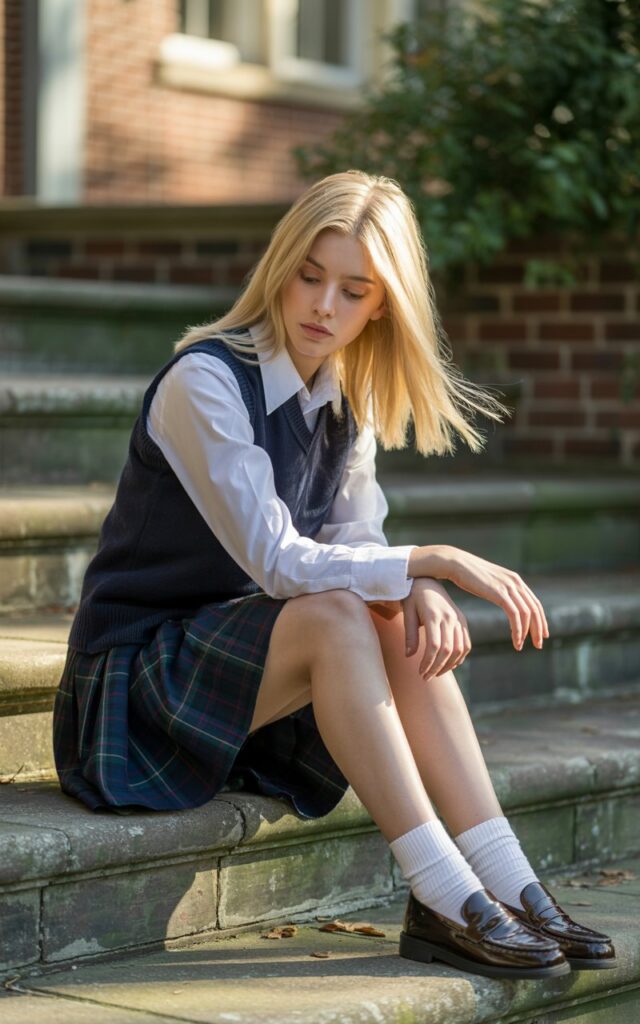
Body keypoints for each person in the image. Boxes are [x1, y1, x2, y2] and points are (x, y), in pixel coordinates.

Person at [53, 169, 615, 981]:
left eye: (352, 290)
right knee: (347, 613)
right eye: (309, 277)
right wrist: (432, 561)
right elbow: (281, 563)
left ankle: (505, 879)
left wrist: (414, 586)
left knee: (391, 614)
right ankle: (442, 891)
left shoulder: (343, 399)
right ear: (280, 267)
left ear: (381, 304)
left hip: (235, 673)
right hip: (132, 685)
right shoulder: (205, 381)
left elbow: (356, 542)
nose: (323, 306)